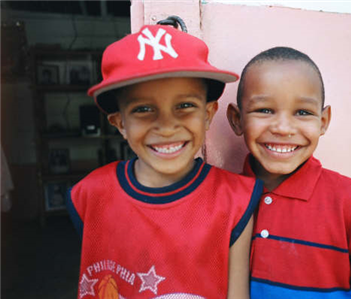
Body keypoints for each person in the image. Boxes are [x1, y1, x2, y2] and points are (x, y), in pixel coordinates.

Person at [66, 21, 262, 299]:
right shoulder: (90, 195)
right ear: (120, 123)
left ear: (208, 114)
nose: (167, 126)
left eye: (185, 106)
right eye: (144, 109)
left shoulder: (235, 201)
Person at [227, 47, 351, 298]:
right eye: (265, 110)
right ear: (236, 119)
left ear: (323, 121)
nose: (283, 128)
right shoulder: (221, 199)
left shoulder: (349, 202)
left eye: (303, 112)